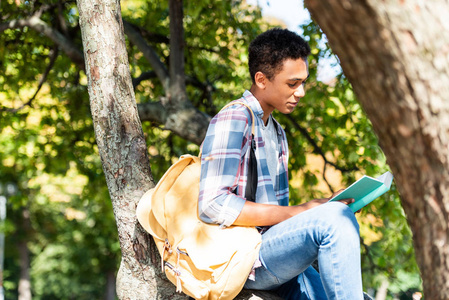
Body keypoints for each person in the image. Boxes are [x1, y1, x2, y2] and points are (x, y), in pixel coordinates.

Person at [198, 28, 364, 300]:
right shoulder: (235, 117)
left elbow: (279, 218)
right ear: (261, 80)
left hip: (271, 252)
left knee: (335, 218)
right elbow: (212, 204)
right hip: (240, 258)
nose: (300, 92)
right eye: (292, 83)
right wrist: (300, 212)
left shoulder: (277, 133)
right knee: (334, 220)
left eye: (303, 82)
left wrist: (316, 208)